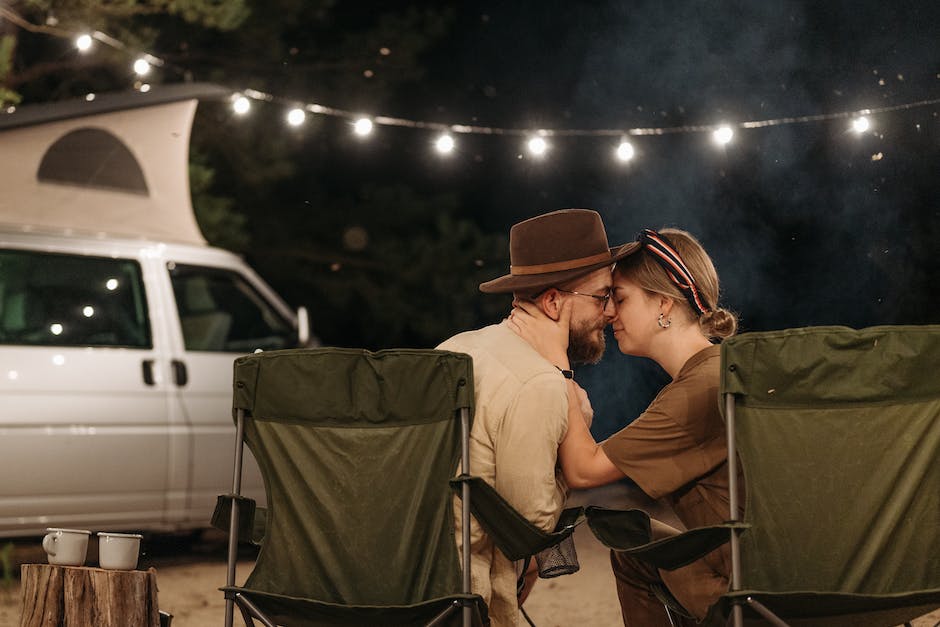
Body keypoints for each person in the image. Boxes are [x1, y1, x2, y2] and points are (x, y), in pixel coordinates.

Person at [507, 227, 742, 627]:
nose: (610, 312)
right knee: (635, 550)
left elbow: (584, 470)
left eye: (621, 297)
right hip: (786, 570)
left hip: (753, 586)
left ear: (664, 305)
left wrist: (556, 360)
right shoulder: (722, 369)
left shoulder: (700, 389)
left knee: (630, 542)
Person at [437, 208, 634, 627]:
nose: (612, 311)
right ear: (552, 301)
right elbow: (533, 528)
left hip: (404, 581)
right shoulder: (541, 384)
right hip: (462, 596)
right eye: (602, 297)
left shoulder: (455, 348)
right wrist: (573, 419)